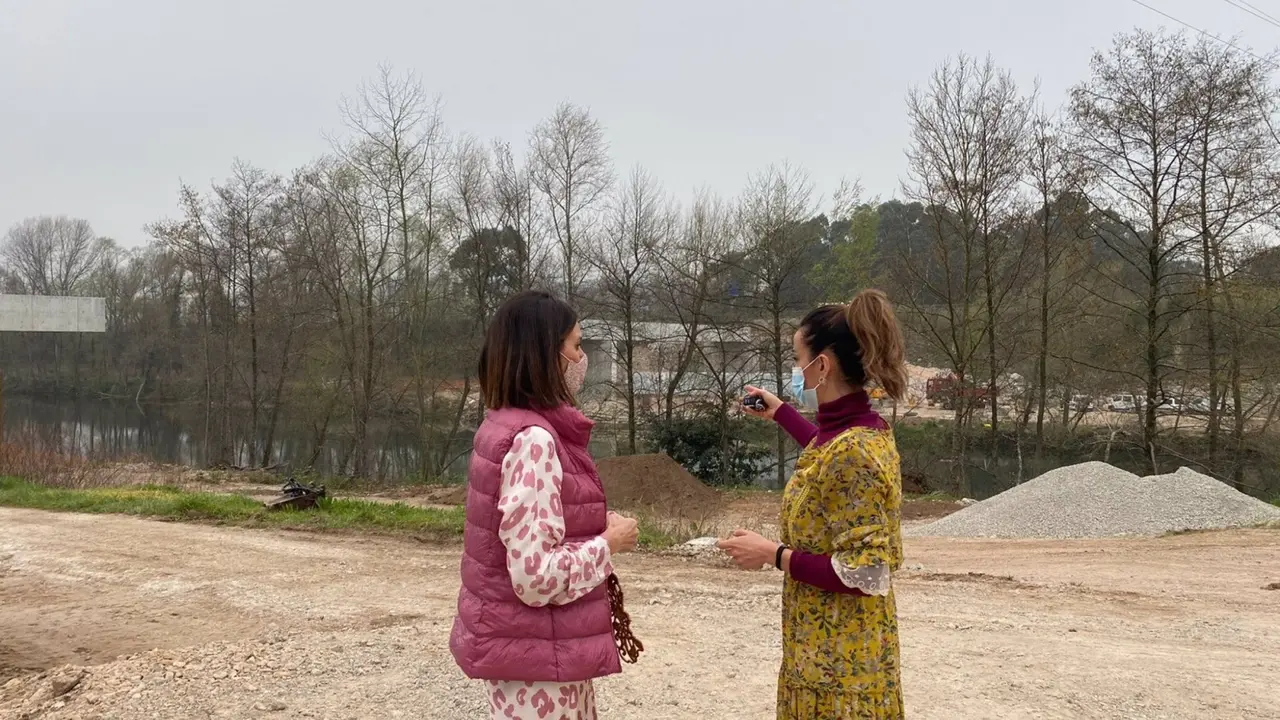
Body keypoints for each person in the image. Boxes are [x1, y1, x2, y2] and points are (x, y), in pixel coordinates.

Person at [717, 289, 909, 720]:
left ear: (821, 365)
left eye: (798, 360)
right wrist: (783, 413)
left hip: (842, 671)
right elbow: (828, 462)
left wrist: (774, 554)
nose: (796, 372)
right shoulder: (863, 429)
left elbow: (867, 571)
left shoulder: (854, 450)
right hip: (825, 655)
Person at [450, 290, 642, 720]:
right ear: (547, 354)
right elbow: (535, 577)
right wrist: (608, 544)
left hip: (536, 655)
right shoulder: (534, 441)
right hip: (541, 666)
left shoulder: (503, 423)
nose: (582, 357)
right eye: (576, 345)